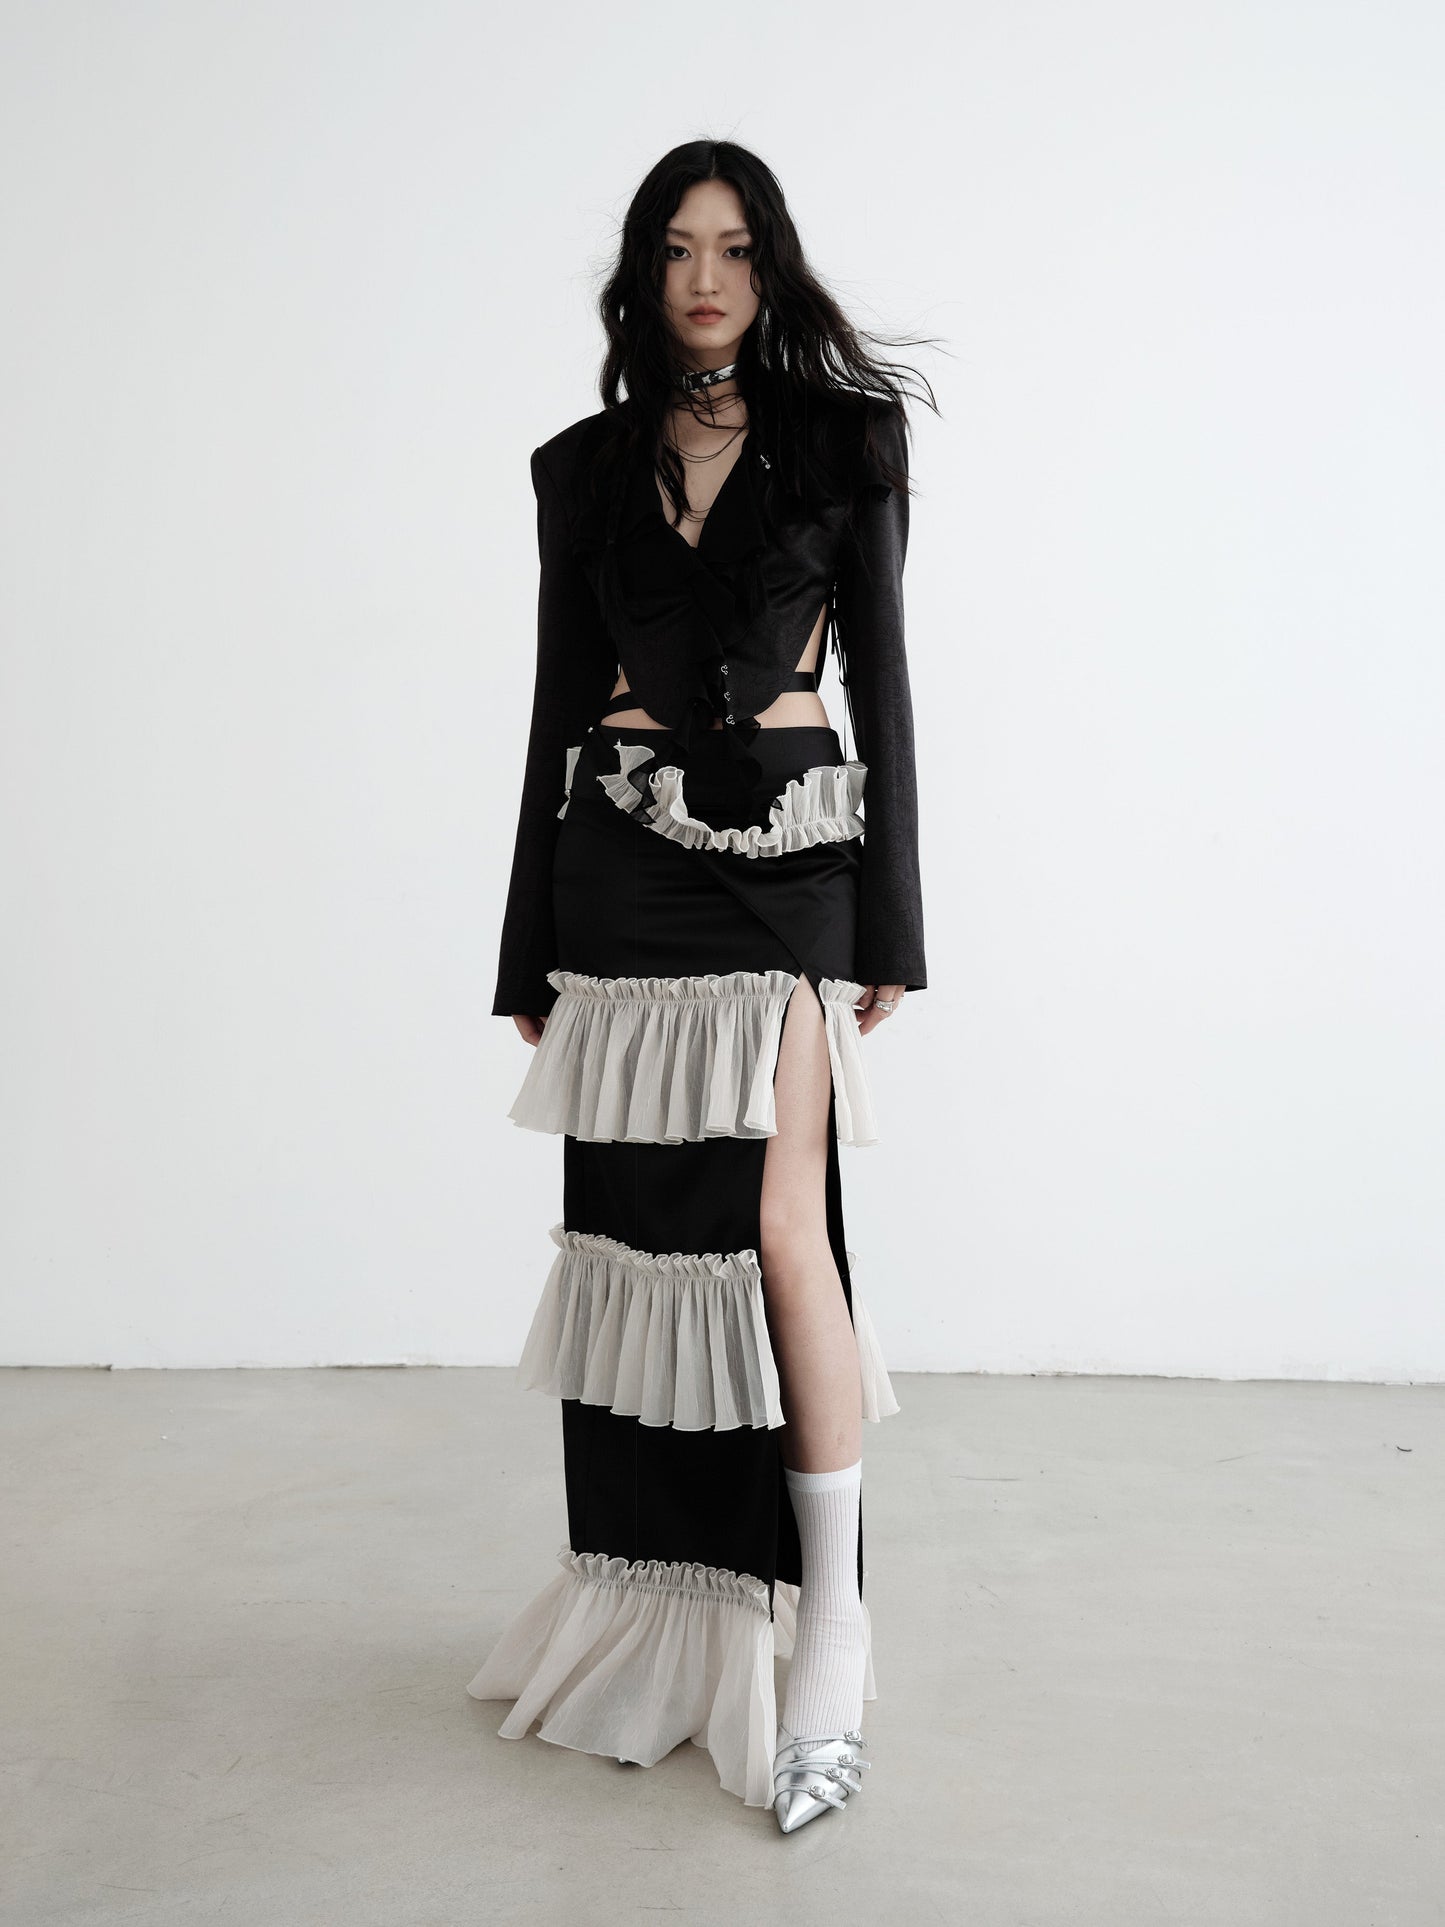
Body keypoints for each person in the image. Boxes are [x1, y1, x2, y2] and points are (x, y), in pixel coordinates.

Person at [467, 138, 932, 1834]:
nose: (706, 279)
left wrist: (890, 927)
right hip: (618, 870)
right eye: (676, 249)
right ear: (642, 274)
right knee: (643, 1242)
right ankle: (661, 1619)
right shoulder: (580, 468)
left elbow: (883, 685)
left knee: (781, 1229)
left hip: (789, 864)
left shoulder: (846, 442)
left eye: (732, 248)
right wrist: (523, 941)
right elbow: (551, 705)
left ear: (770, 263)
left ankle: (832, 1630)